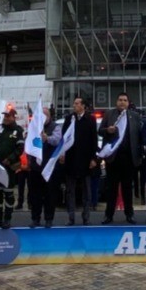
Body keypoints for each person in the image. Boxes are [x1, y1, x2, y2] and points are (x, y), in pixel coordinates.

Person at [99, 92, 142, 224]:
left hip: (129, 158)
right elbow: (100, 131)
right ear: (116, 102)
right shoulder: (109, 114)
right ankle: (109, 215)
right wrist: (108, 130)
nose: (122, 102)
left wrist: (140, 155)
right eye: (120, 100)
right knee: (111, 188)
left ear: (128, 103)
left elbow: (139, 136)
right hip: (113, 157)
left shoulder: (134, 116)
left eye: (124, 100)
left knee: (127, 188)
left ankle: (129, 214)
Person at [60, 96, 99, 225]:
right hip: (71, 160)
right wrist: (62, 154)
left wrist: (93, 158)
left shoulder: (90, 120)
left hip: (85, 160)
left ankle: (86, 217)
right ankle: (71, 217)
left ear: (83, 106)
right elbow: (63, 138)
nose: (74, 105)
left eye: (77, 103)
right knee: (70, 191)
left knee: (86, 191)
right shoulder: (69, 119)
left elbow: (94, 140)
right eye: (74, 103)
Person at [0, 109, 25, 228]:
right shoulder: (0, 128)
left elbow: (20, 148)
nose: (5, 118)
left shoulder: (18, 130)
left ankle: (7, 219)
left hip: (9, 168)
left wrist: (10, 159)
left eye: (8, 116)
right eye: (4, 116)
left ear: (14, 117)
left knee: (8, 194)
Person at [27, 106, 62, 228]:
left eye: (45, 115)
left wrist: (47, 138)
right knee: (35, 195)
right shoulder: (34, 127)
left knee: (50, 194)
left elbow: (57, 140)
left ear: (49, 116)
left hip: (49, 167)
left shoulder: (55, 127)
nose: (43, 117)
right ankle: (35, 219)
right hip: (35, 166)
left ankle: (48, 219)